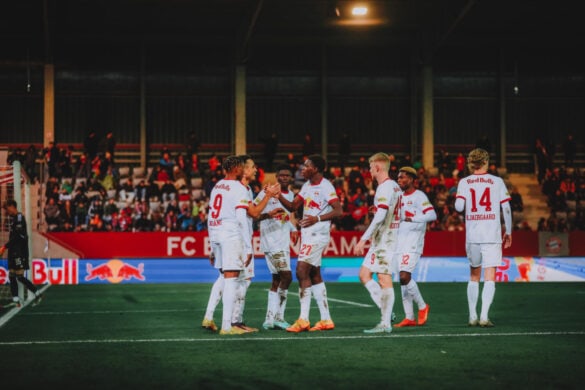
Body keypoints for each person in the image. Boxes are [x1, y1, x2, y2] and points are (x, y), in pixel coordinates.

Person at [278, 154, 342, 332]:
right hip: (308, 234)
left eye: (306, 166)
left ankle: (303, 319)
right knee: (314, 274)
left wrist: (318, 218)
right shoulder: (307, 185)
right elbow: (292, 207)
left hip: (317, 234)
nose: (302, 169)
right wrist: (277, 196)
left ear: (315, 168)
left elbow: (338, 210)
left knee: (301, 270)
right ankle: (326, 320)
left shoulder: (325, 186)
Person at [454, 148, 512, 327]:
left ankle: (472, 316)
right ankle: (484, 316)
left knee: (474, 274)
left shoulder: (464, 182)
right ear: (486, 162)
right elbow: (507, 209)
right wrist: (508, 231)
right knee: (490, 276)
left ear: (470, 164)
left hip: (473, 235)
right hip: (492, 234)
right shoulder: (497, 181)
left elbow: (458, 207)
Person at [231, 155, 280, 332]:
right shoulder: (240, 189)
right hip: (241, 240)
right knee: (241, 281)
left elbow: (254, 214)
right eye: (252, 167)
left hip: (242, 238)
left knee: (239, 281)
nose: (255, 170)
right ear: (243, 170)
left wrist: (268, 213)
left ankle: (235, 320)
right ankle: (234, 322)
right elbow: (252, 213)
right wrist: (267, 195)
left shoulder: (247, 189)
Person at [203, 156, 252, 335]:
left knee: (224, 277)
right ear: (236, 168)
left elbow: (210, 215)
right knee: (232, 279)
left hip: (216, 232)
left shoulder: (217, 186)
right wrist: (248, 247)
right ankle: (226, 326)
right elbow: (241, 218)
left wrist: (211, 244)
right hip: (230, 235)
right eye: (241, 167)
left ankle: (212, 317)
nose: (243, 170)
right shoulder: (239, 188)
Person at [353, 153, 401, 334]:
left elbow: (381, 215)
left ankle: (385, 322)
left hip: (386, 240)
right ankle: (388, 312)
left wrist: (363, 239)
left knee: (383, 278)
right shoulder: (395, 187)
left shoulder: (385, 187)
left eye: (371, 166)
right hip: (383, 239)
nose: (370, 170)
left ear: (378, 167)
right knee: (364, 274)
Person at [255, 164, 299, 330]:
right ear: (276, 177)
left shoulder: (290, 195)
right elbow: (253, 213)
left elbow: (287, 217)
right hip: (272, 242)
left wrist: (294, 229)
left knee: (277, 280)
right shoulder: (266, 192)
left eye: (287, 175)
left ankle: (269, 319)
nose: (284, 178)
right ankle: (279, 317)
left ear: (290, 178)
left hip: (283, 242)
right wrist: (268, 214)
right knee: (287, 277)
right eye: (281, 175)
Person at [393, 166, 437, 328]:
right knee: (402, 281)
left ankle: (423, 306)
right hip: (399, 242)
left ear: (411, 179)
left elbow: (432, 215)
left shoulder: (419, 196)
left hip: (413, 243)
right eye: (398, 178)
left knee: (405, 276)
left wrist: (412, 219)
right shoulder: (398, 197)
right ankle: (409, 317)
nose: (399, 180)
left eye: (402, 177)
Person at [0, 200, 43, 307]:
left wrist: (5, 247)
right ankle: (16, 300)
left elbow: (18, 236)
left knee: (19, 276)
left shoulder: (19, 218)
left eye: (7, 208)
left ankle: (37, 293)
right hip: (13, 251)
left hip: (19, 252)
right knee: (11, 275)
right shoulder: (14, 219)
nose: (7, 212)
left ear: (12, 206)